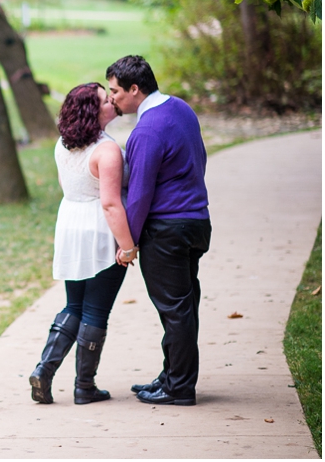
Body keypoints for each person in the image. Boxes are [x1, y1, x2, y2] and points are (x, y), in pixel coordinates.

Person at [106, 55, 211, 407]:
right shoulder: (180, 108)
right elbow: (200, 157)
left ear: (135, 89)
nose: (113, 99)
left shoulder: (147, 130)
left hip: (167, 230)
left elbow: (138, 194)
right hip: (195, 223)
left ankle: (179, 387)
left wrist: (128, 242)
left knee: (175, 311)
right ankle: (171, 376)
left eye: (116, 91)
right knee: (183, 306)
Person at [29, 83, 136, 405]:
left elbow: (69, 187)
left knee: (74, 305)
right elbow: (110, 204)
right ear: (93, 110)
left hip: (71, 228)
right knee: (96, 311)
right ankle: (84, 387)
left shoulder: (63, 144)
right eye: (106, 100)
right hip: (100, 232)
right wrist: (127, 246)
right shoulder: (107, 151)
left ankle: (43, 371)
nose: (113, 102)